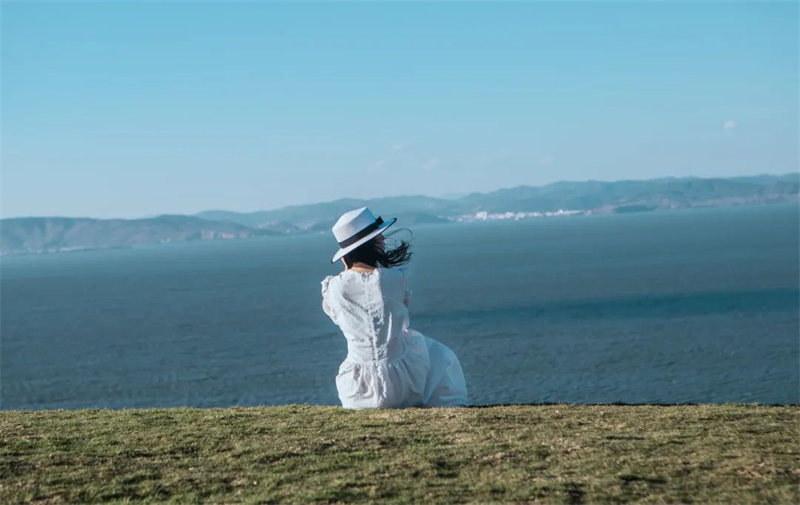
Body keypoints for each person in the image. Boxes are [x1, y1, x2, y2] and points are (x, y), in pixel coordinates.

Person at [321, 207, 468, 409]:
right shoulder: (395, 279)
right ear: (369, 244)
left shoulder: (333, 287)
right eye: (378, 236)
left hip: (357, 388)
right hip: (404, 380)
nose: (382, 239)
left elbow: (337, 314)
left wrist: (347, 268)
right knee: (439, 354)